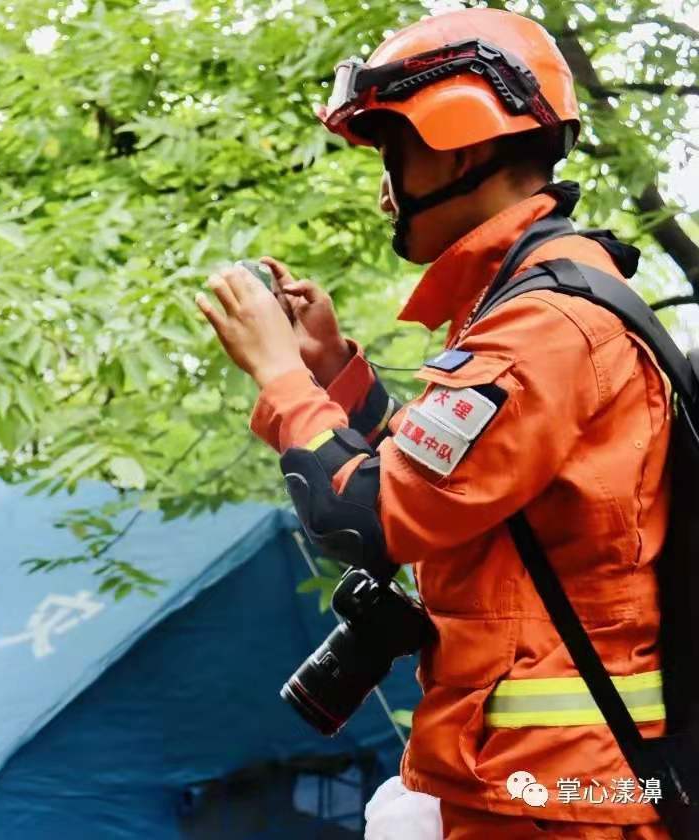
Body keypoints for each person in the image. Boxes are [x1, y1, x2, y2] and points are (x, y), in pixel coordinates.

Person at [197, 8, 671, 840]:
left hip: (553, 794)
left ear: (464, 145)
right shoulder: (530, 304)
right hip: (530, 779)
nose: (385, 186)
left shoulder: (544, 327)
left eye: (393, 150)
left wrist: (277, 376)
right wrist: (333, 371)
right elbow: (448, 481)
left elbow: (374, 518)